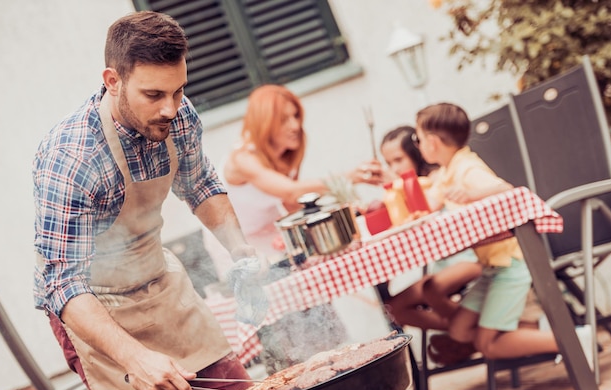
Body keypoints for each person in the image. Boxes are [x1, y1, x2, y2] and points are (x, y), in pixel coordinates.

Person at [32, 11, 266, 390]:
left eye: (178, 91)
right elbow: (63, 284)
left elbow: (201, 187)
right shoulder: (71, 159)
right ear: (112, 81)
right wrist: (135, 358)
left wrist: (240, 251)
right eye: (154, 95)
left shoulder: (178, 116)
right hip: (92, 307)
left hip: (160, 285)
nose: (171, 108)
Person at [203, 84, 384, 373]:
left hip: (275, 246)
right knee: (286, 318)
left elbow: (293, 205)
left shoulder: (284, 158)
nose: (295, 126)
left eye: (296, 117)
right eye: (285, 119)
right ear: (265, 121)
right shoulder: (243, 159)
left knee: (311, 302)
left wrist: (347, 208)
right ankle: (302, 372)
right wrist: (349, 177)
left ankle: (333, 365)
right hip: (240, 253)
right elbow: (289, 190)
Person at [412, 103, 587, 364]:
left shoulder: (467, 170)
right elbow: (431, 202)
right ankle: (520, 336)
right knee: (459, 330)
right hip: (493, 267)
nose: (418, 145)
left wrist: (474, 194)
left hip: (511, 265)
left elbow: (506, 189)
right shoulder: (449, 170)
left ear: (433, 142)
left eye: (418, 139)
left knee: (487, 345)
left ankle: (576, 340)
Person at [377, 126, 481, 361]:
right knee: (392, 308)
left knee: (429, 289)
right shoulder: (401, 192)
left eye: (398, 160)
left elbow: (427, 201)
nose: (394, 168)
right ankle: (470, 336)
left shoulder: (437, 178)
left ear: (416, 153)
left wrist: (399, 184)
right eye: (389, 163)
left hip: (472, 258)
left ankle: (465, 337)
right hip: (443, 267)